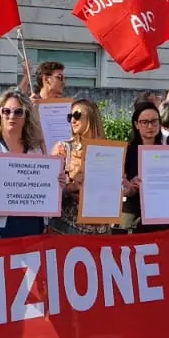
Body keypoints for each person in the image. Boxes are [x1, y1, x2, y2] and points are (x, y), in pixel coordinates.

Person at [0, 90, 54, 240]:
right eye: (6, 111)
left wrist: (55, 182)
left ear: (26, 116)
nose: (11, 116)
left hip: (30, 224)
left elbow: (45, 187)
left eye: (18, 112)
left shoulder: (36, 149)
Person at [51, 98, 107, 235]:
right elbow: (49, 189)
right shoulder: (63, 148)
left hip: (101, 230)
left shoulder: (109, 150)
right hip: (68, 229)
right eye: (70, 116)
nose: (72, 120)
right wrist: (71, 187)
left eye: (77, 115)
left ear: (92, 117)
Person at [120, 99, 165, 232]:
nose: (150, 126)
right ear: (136, 124)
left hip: (162, 212)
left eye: (154, 121)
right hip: (134, 212)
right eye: (145, 122)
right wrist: (130, 187)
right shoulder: (127, 151)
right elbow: (119, 184)